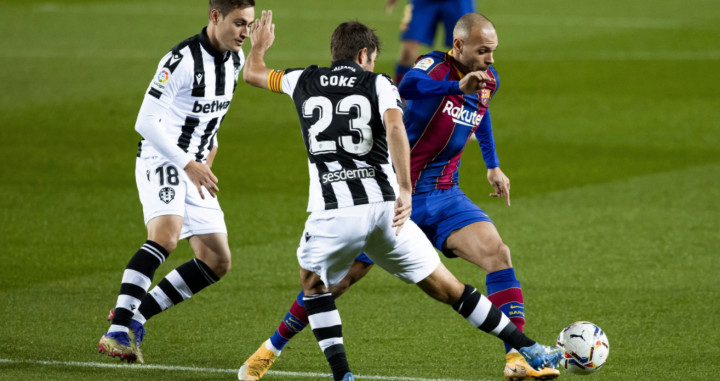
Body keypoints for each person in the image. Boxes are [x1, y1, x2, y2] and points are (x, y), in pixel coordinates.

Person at [240, 11, 561, 381]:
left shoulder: (487, 79)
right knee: (336, 283)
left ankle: (517, 358)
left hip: (443, 193)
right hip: (391, 193)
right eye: (483, 50)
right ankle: (270, 348)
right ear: (458, 46)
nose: (490, 59)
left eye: (493, 51)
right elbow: (409, 86)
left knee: (497, 254)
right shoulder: (433, 68)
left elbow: (480, 111)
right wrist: (456, 88)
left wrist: (492, 164)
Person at [97, 0, 255, 364]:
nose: (244, 32)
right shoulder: (181, 60)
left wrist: (206, 157)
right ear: (215, 17)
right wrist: (187, 163)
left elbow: (211, 117)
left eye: (248, 24)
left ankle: (136, 316)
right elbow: (146, 121)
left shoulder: (236, 58)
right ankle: (117, 330)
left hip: (195, 165)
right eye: (238, 23)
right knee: (166, 236)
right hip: (163, 156)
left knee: (217, 260)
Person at [385, 0, 476, 84]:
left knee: (462, 52)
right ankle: (400, 97)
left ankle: (464, 97)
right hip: (423, 2)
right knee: (407, 52)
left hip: (457, 3)